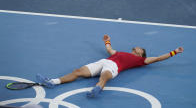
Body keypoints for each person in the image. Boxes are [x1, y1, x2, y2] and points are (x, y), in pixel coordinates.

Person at [36, 34, 184, 98]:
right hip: (103, 61)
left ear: (141, 54)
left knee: (105, 76)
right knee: (78, 71)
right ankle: (52, 82)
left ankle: (97, 89)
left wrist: (174, 52)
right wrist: (107, 40)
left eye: (139, 48)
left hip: (114, 68)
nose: (136, 47)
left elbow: (158, 58)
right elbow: (109, 50)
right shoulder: (119, 52)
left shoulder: (141, 61)